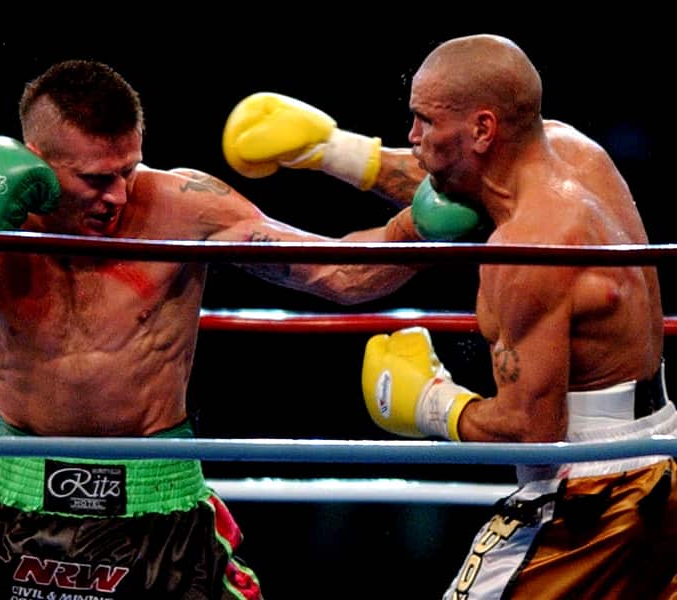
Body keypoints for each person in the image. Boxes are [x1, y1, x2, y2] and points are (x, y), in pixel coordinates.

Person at [0, 59, 483, 599]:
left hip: (159, 515)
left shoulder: (183, 206)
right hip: (5, 509)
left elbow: (337, 275)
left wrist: (417, 228)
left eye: (128, 169)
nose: (117, 195)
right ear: (35, 164)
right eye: (96, 179)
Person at [221, 35, 677, 599]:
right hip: (659, 455)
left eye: (424, 121)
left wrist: (431, 401)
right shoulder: (570, 151)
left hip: (589, 492)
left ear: (483, 129)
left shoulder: (526, 253)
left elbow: (534, 433)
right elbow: (449, 180)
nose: (412, 138)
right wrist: (330, 150)